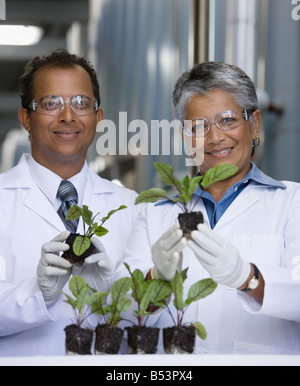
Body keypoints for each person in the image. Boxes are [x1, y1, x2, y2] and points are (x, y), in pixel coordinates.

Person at [120, 62, 300, 355]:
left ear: (254, 124)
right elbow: (121, 314)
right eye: (198, 126)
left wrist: (247, 276)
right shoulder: (155, 213)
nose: (214, 137)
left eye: (227, 120)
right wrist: (156, 279)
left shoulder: (292, 202)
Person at [0, 49, 139, 357]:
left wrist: (112, 292)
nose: (67, 116)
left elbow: (151, 320)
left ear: (98, 117)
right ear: (26, 117)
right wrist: (39, 295)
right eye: (51, 103)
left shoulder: (131, 208)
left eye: (81, 103)